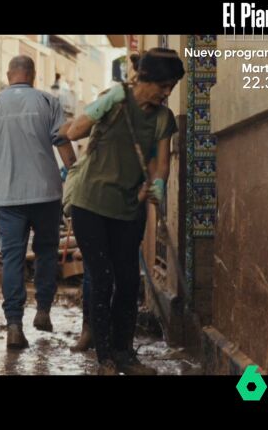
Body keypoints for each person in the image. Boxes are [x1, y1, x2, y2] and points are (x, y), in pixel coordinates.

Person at [61, 48, 184, 374]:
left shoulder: (162, 118)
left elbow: (160, 164)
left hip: (129, 207)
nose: (167, 92)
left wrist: (156, 187)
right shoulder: (114, 99)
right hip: (90, 204)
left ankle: (126, 354)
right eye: (164, 85)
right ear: (147, 79)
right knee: (102, 278)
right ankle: (106, 359)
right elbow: (72, 132)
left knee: (129, 281)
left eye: (171, 86)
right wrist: (105, 102)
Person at [0, 55, 76, 350]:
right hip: (46, 193)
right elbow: (63, 142)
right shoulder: (47, 101)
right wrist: (75, 173)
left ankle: (14, 326)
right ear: (33, 75)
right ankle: (43, 311)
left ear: (9, 75)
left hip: (8, 197)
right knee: (46, 253)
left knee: (13, 259)